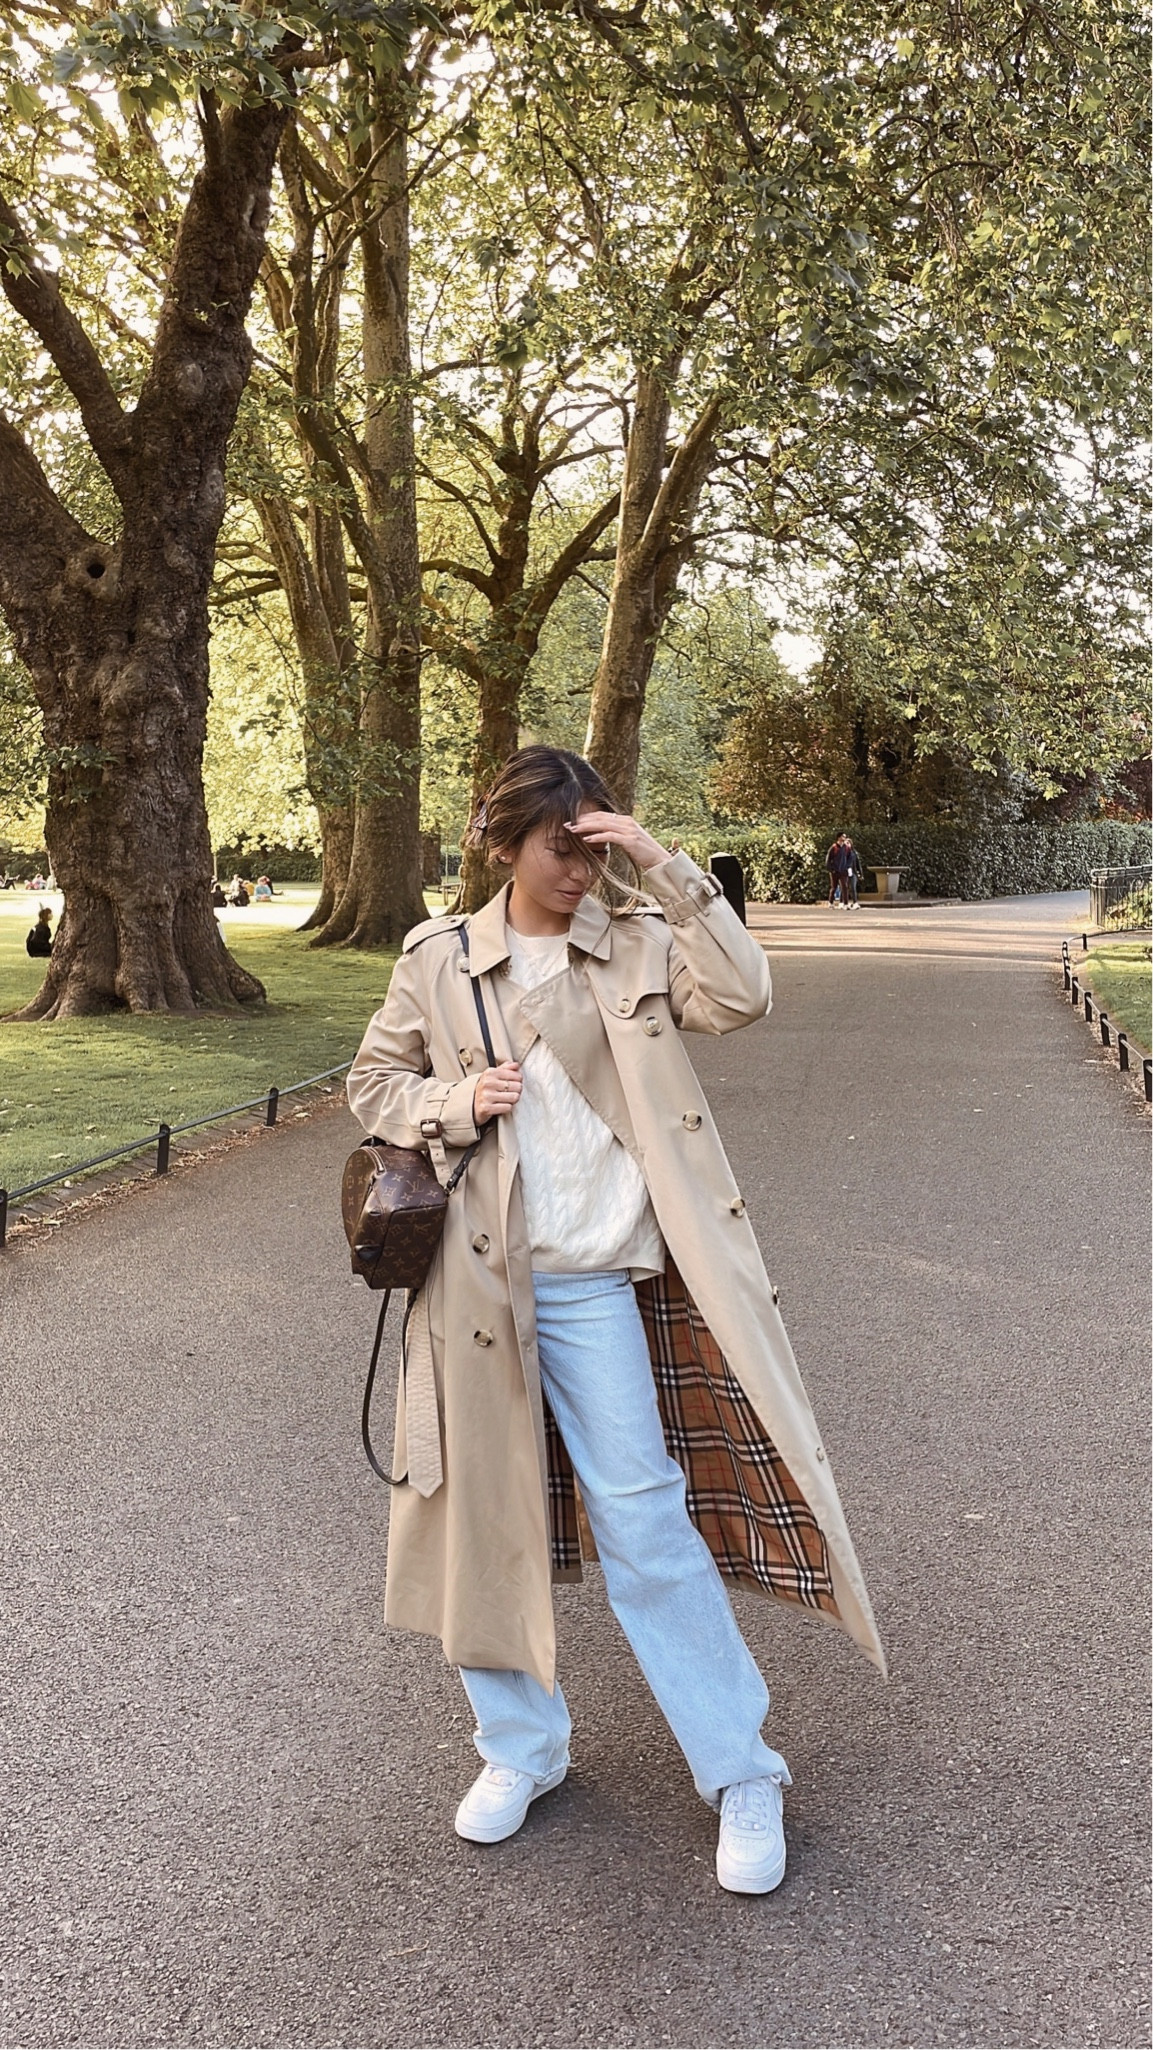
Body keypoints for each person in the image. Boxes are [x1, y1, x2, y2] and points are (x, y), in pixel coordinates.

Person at [346, 745, 884, 1897]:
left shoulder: (636, 934)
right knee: (479, 1520)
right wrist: (452, 1100)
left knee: (647, 1524)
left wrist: (661, 863)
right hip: (479, 1285)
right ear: (502, 844)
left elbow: (743, 995)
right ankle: (520, 1749)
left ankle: (741, 1770)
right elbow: (372, 1084)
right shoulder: (439, 961)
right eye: (560, 849)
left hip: (596, 1281)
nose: (578, 872)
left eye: (593, 845)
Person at [825, 834, 849, 906]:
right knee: (834, 887)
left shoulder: (846, 848)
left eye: (845, 837)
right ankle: (831, 901)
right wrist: (831, 869)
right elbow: (828, 859)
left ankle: (845, 903)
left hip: (843, 870)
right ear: (839, 838)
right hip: (835, 871)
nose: (844, 838)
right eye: (843, 837)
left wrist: (847, 866)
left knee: (844, 887)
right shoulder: (834, 847)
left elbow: (850, 857)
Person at [842, 838, 864, 909]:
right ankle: (843, 902)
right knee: (845, 887)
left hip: (852, 872)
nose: (847, 845)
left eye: (849, 843)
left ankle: (855, 902)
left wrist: (860, 873)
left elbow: (858, 864)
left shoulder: (854, 853)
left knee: (853, 887)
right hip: (844, 872)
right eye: (846, 843)